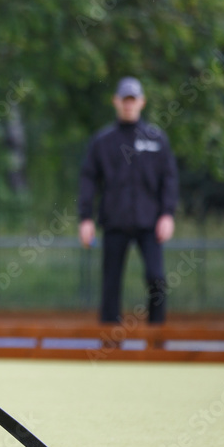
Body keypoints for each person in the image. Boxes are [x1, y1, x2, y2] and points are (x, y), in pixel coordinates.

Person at [78, 76, 179, 324]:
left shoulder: (156, 139)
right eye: (124, 100)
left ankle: (156, 338)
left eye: (133, 100)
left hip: (149, 221)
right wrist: (85, 218)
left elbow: (169, 179)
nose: (128, 104)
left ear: (142, 102)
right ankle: (109, 342)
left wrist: (167, 214)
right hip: (114, 220)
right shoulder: (103, 141)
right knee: (110, 283)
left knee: (157, 278)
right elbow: (88, 180)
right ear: (116, 101)